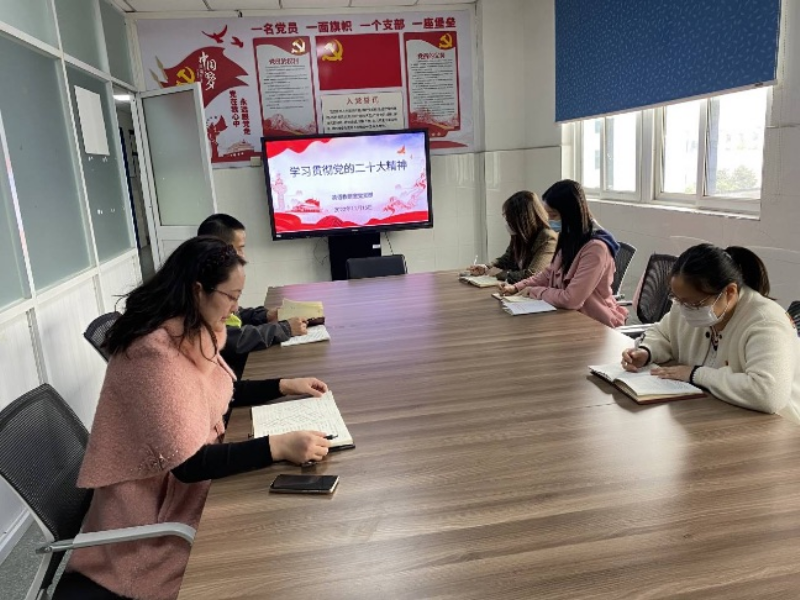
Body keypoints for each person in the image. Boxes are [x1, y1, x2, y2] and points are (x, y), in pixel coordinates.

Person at [58, 237, 331, 600]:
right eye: (231, 297)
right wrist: (277, 446)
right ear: (197, 290)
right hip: (151, 511)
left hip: (181, 480)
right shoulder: (151, 354)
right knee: (265, 551)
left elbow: (216, 392)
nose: (235, 308)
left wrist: (283, 385)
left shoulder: (191, 329)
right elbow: (187, 464)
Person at [620, 244, 800, 420]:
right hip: (714, 412)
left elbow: (768, 394)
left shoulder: (767, 322)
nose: (684, 309)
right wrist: (646, 351)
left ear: (729, 292)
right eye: (678, 300)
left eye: (694, 304)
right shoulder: (687, 304)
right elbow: (663, 333)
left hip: (775, 427)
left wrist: (695, 374)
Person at [500, 179, 628, 327]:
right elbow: (548, 274)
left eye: (554, 215)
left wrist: (533, 292)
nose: (549, 221)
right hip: (565, 317)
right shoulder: (570, 238)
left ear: (571, 214)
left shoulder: (596, 249)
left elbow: (572, 299)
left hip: (595, 324)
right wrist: (517, 287)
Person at [197, 214, 307, 357]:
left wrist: (265, 315)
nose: (243, 256)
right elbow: (231, 339)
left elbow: (234, 316)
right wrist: (284, 329)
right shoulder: (202, 288)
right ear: (219, 248)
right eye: (239, 248)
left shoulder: (211, 276)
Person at [467, 190, 557, 284]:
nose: (507, 223)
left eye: (509, 219)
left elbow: (532, 275)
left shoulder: (548, 238)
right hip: (520, 288)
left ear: (522, 219)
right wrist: (486, 267)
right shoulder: (520, 234)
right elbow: (507, 259)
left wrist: (500, 274)